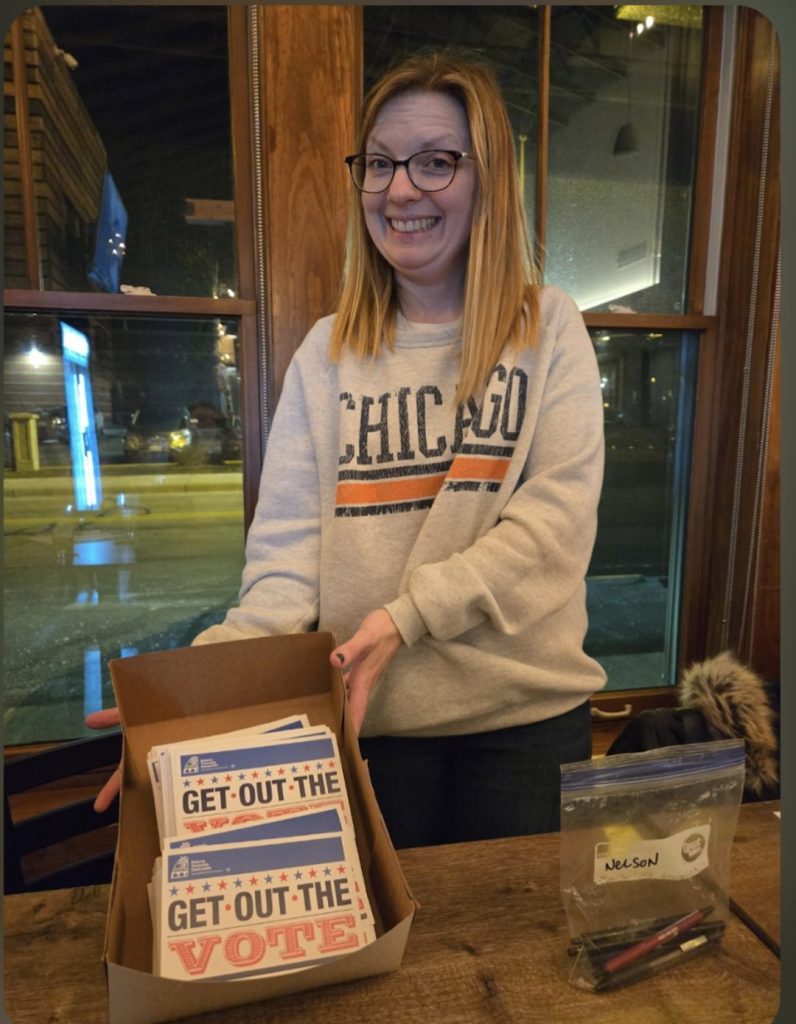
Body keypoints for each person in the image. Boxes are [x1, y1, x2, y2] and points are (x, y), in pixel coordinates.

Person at [87, 49, 607, 848]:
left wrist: (405, 618)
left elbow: (555, 527)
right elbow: (284, 570)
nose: (401, 189)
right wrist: (187, 691)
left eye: (436, 162)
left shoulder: (548, 328)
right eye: (380, 163)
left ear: (488, 179)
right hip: (371, 726)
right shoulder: (327, 353)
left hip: (527, 726)